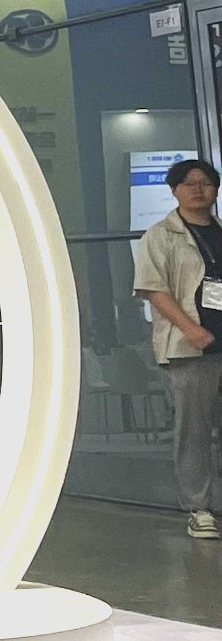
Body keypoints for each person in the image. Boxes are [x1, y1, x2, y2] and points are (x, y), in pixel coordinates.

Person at [131, 155, 222, 540]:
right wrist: (190, 329)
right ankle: (198, 508)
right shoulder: (161, 235)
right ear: (175, 191)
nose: (199, 190)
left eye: (206, 183)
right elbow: (153, 289)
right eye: (190, 183)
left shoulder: (218, 230)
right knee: (195, 431)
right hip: (190, 347)